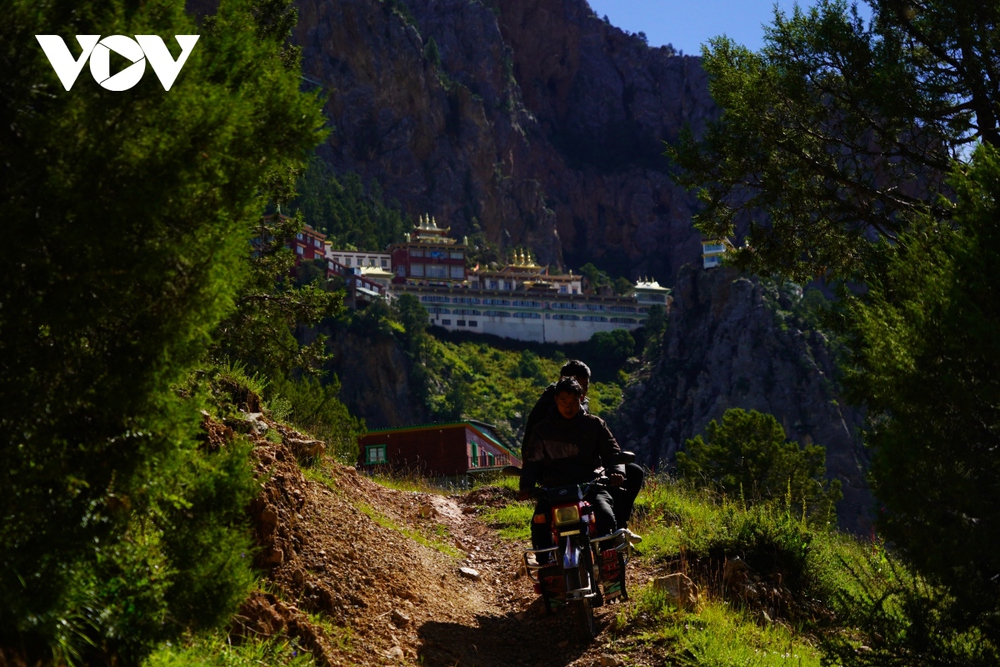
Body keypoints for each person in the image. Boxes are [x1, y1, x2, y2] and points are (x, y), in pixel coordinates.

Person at [521, 360, 644, 541]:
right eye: (564, 401)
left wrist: (615, 471)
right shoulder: (543, 421)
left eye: (577, 396)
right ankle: (546, 562)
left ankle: (615, 535)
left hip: (587, 479)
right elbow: (532, 456)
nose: (569, 406)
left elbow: (609, 448)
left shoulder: (592, 421)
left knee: (607, 510)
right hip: (554, 480)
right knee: (540, 522)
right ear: (558, 396)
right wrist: (528, 484)